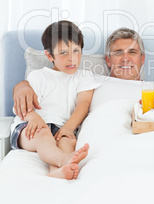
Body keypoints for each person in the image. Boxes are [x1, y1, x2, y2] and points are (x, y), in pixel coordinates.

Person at [13, 27, 154, 118]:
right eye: (118, 52)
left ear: (142, 59)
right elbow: (54, 79)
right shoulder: (90, 81)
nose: (125, 58)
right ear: (108, 60)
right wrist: (22, 86)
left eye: (132, 52)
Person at [10, 21, 101, 179]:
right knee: (43, 134)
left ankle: (56, 172)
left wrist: (68, 128)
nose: (71, 58)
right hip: (31, 126)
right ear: (49, 55)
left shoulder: (84, 77)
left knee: (67, 141)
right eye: (63, 53)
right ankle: (63, 160)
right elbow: (23, 106)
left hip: (62, 127)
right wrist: (34, 118)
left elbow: (83, 105)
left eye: (76, 51)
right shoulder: (39, 76)